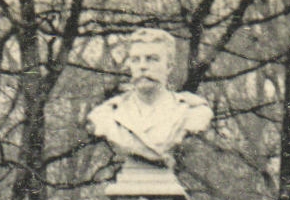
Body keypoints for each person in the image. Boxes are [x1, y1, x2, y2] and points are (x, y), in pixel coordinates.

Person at [87, 28, 212, 168]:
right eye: (135, 60)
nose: (142, 66)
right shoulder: (107, 114)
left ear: (169, 66)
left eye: (151, 59)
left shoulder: (192, 111)